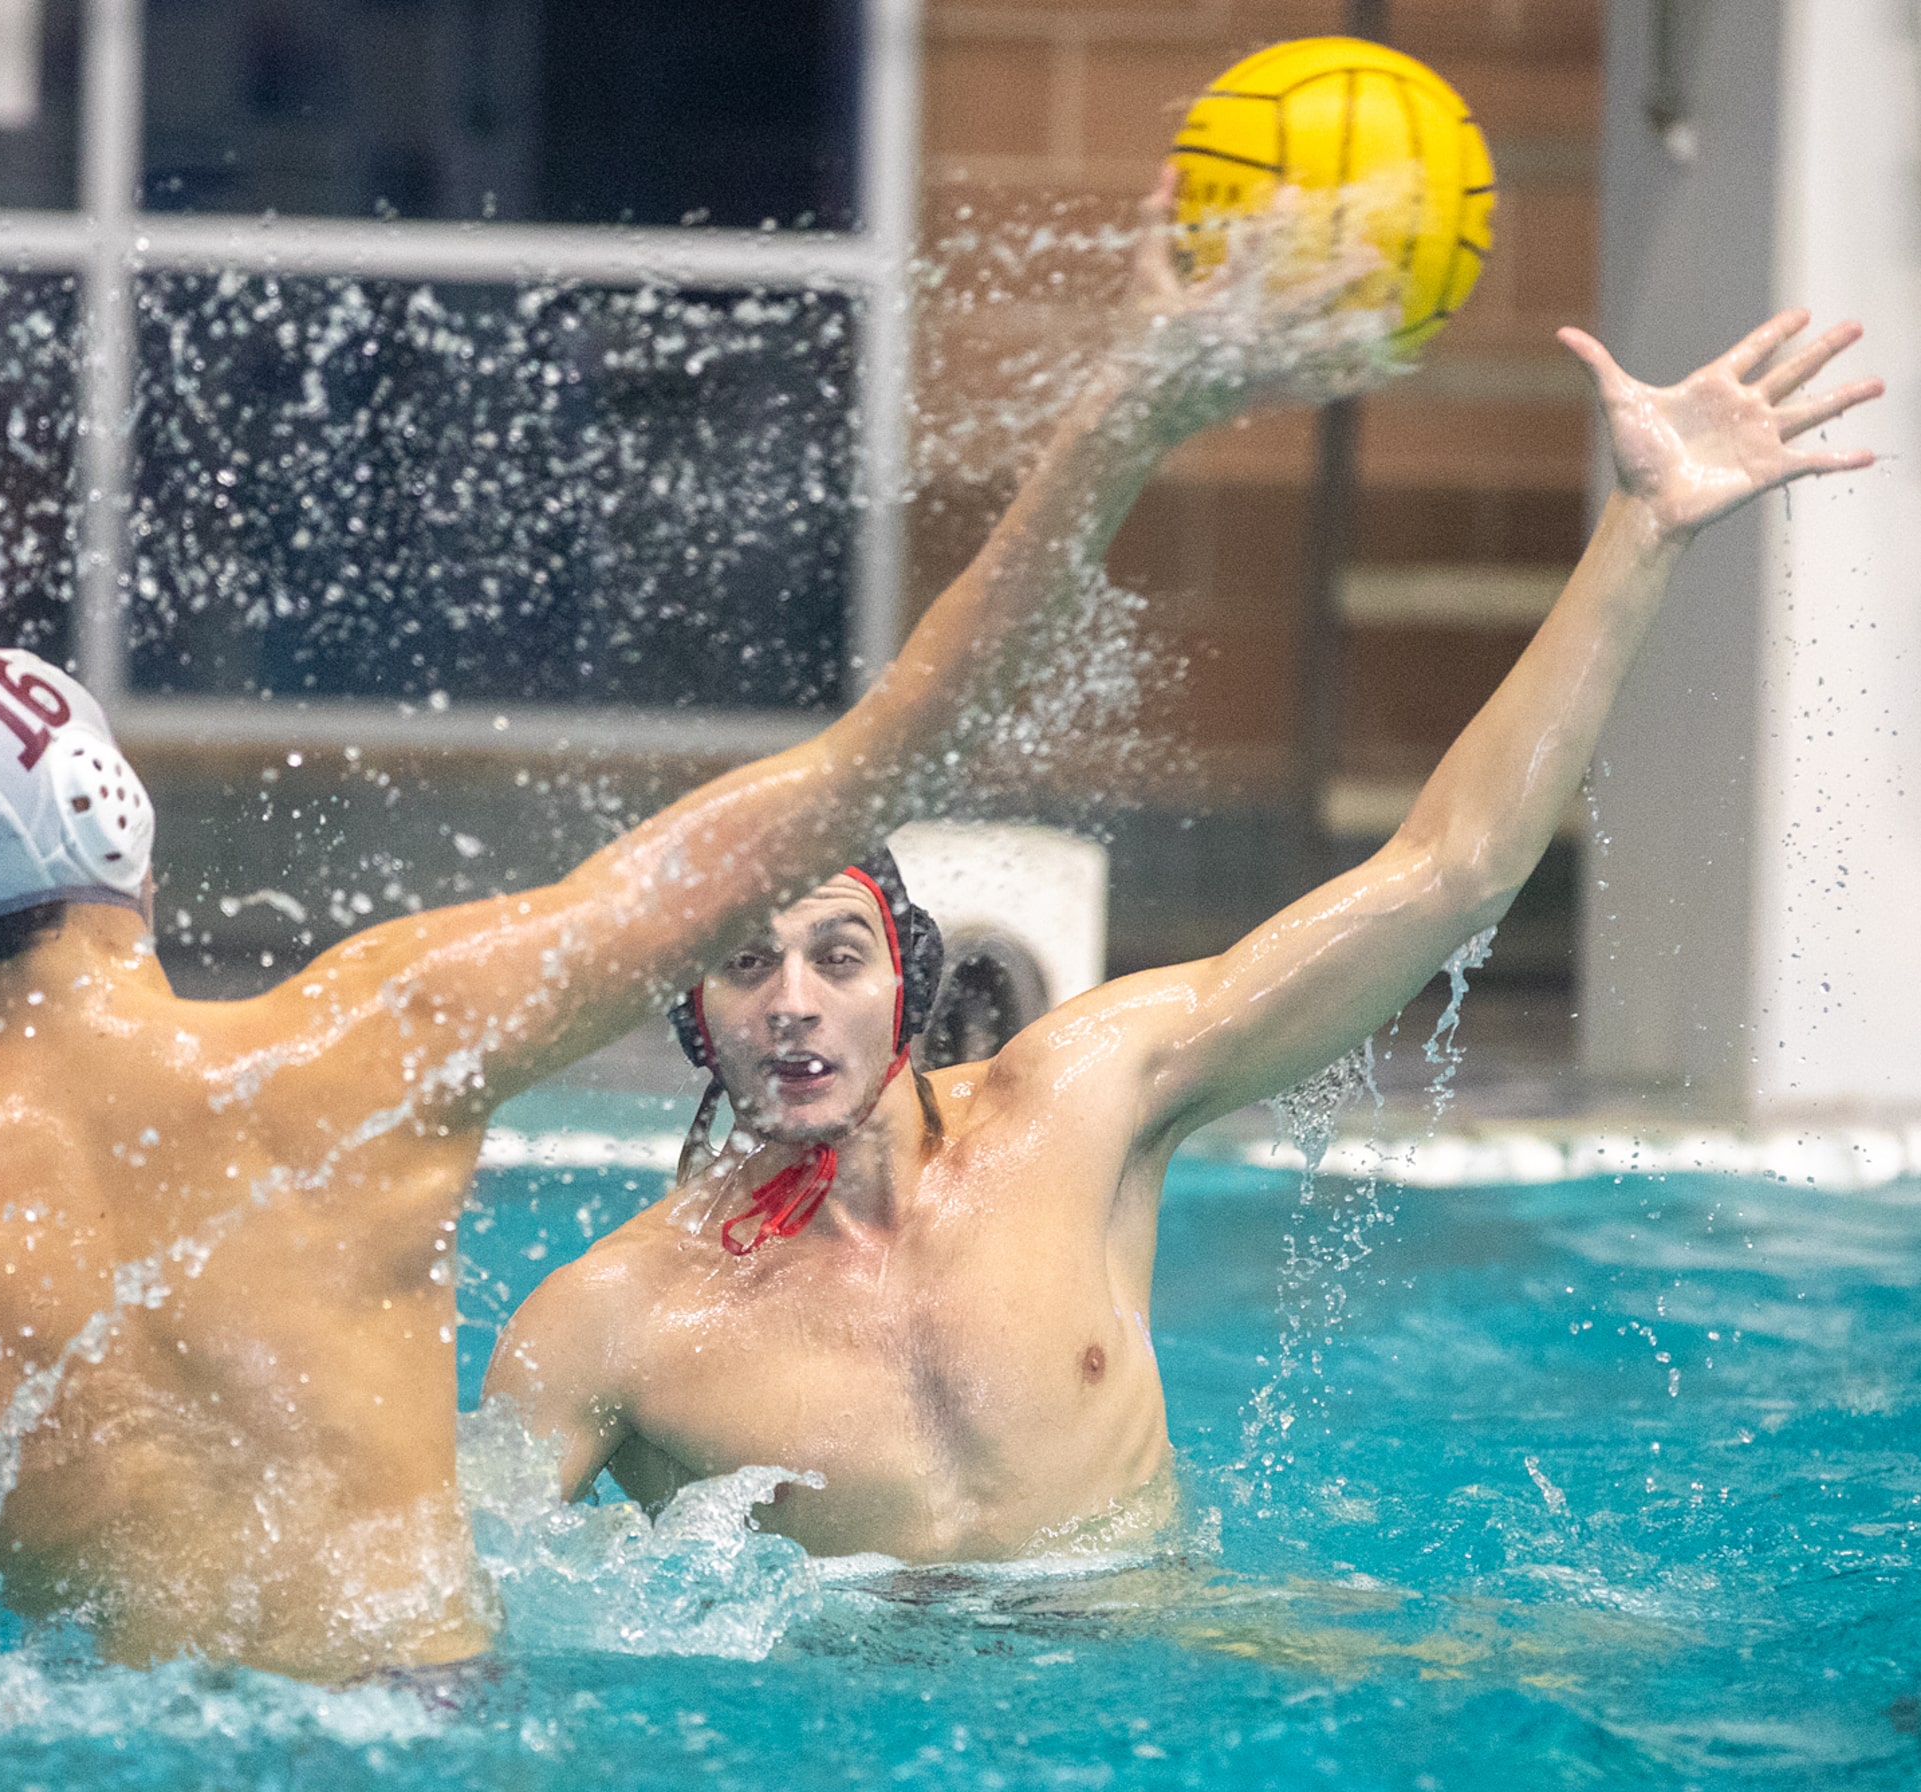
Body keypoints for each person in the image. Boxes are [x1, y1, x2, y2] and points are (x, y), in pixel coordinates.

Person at [0, 195, 1391, 1682]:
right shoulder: (359, 1049)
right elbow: (897, 742)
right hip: (421, 1748)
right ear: (129, 843)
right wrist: (1132, 407)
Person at [485, 310, 1881, 1562]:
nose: (791, 999)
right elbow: (423, 1609)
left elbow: (1443, 874)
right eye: (742, 962)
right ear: (689, 1014)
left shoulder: (1084, 1104)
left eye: (836, 955)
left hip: (1155, 1669)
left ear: (907, 981)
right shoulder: (612, 1323)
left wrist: (1643, 528)